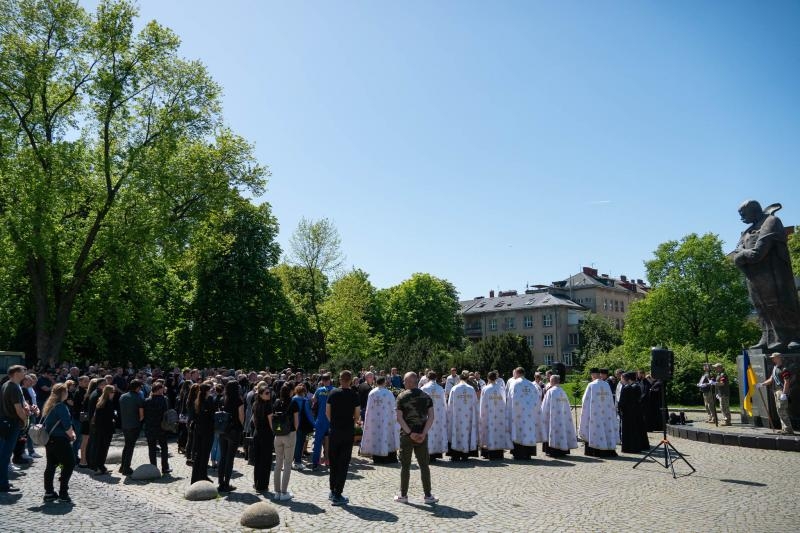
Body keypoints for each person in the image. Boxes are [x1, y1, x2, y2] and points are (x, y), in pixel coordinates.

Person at [732, 200, 800, 352]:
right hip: (755, 278)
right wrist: (743, 255)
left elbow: (758, 253)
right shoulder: (747, 231)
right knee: (761, 307)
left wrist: (743, 254)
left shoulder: (771, 221)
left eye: (743, 214)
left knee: (781, 304)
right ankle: (767, 337)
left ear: (753, 210)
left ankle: (793, 336)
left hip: (775, 274)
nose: (741, 218)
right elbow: (736, 256)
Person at [394, 372, 437, 504]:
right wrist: (423, 433)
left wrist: (410, 433)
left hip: (407, 436)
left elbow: (399, 418)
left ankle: (403, 495)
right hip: (422, 435)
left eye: (405, 381)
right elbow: (432, 417)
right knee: (424, 465)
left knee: (405, 466)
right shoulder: (426, 396)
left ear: (407, 382)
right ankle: (428, 495)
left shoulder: (401, 396)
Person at [326, 370, 360, 506]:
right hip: (347, 431)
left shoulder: (333, 393)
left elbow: (327, 412)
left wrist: (334, 422)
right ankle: (337, 494)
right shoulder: (354, 395)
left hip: (334, 430)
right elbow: (357, 415)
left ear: (339, 380)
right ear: (350, 380)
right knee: (343, 463)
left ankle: (332, 490)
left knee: (333, 461)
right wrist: (351, 421)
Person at [40, 383, 76, 503]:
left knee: (52, 465)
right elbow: (67, 425)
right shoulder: (61, 406)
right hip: (61, 441)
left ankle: (49, 492)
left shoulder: (49, 405)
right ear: (62, 393)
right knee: (69, 463)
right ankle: (63, 492)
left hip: (49, 440)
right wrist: (72, 435)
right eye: (66, 391)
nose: (67, 393)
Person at [579, 368, 619, 457]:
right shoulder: (606, 385)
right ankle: (608, 449)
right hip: (606, 413)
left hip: (594, 414)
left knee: (595, 429)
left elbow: (585, 400)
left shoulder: (591, 385)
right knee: (606, 428)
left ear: (593, 375)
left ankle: (595, 450)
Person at [1, 365, 28, 493]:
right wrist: (25, 420)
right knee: (5, 455)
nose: (25, 373)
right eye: (23, 371)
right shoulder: (13, 387)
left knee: (4, 455)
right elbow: (18, 409)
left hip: (6, 423)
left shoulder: (6, 384)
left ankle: (3, 482)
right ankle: (3, 484)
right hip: (11, 424)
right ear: (16, 373)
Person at [270, 383, 299, 501]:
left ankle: (276, 492)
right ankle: (284, 492)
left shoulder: (276, 402)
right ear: (291, 391)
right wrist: (294, 431)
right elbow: (296, 422)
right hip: (289, 434)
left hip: (278, 435)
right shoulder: (294, 403)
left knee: (278, 463)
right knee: (287, 464)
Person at [360, 376, 399, 463]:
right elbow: (393, 407)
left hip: (374, 420)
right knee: (386, 435)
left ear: (376, 382)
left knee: (376, 436)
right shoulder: (388, 393)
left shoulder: (372, 393)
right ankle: (390, 457)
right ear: (384, 382)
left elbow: (368, 409)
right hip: (386, 420)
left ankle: (377, 458)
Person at [506, 367, 542, 460]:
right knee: (529, 431)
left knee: (518, 432)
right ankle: (529, 453)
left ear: (517, 373)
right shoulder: (531, 384)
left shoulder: (514, 383)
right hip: (530, 415)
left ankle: (519, 454)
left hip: (518, 414)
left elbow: (510, 399)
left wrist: (509, 411)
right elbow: (537, 400)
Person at [540, 375, 578, 457]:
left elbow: (545, 406)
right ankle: (562, 450)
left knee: (553, 431)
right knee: (562, 431)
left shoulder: (551, 391)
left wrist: (542, 416)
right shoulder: (562, 391)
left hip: (553, 418)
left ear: (552, 381)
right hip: (563, 418)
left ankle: (553, 450)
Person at [217, 380, 245, 492]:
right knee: (230, 458)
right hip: (234, 430)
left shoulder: (222, 399)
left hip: (223, 430)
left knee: (222, 457)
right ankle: (227, 483)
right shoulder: (238, 400)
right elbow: (241, 416)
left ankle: (220, 482)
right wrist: (241, 427)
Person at [758, 352, 794, 434]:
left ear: (778, 358)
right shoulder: (775, 368)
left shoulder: (784, 369)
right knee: (779, 411)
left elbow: (786, 382)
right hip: (776, 391)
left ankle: (788, 429)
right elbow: (771, 379)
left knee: (782, 410)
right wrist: (762, 384)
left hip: (781, 391)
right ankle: (784, 429)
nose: (772, 359)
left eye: (773, 357)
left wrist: (784, 394)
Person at [478, 371, 512, 460]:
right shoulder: (501, 388)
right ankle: (499, 454)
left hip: (489, 415)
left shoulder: (485, 389)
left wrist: (481, 415)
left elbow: (482, 404)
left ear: (488, 378)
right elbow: (504, 402)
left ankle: (489, 453)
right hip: (500, 415)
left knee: (490, 432)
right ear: (495, 378)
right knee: (499, 432)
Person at [446, 371, 478, 461]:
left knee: (456, 432)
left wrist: (449, 415)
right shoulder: (471, 389)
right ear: (467, 378)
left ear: (459, 378)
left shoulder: (455, 388)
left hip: (457, 416)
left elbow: (450, 404)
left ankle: (455, 455)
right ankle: (465, 455)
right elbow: (475, 404)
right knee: (467, 432)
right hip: (469, 416)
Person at [617, 372, 650, 453]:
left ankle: (630, 447)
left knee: (629, 430)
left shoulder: (627, 387)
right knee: (636, 429)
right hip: (635, 410)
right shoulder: (636, 386)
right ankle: (640, 445)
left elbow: (623, 401)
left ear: (626, 379)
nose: (621, 380)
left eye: (622, 378)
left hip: (628, 412)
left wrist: (619, 408)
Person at [143, 382, 171, 476]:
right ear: (159, 390)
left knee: (151, 448)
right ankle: (165, 467)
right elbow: (167, 413)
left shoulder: (146, 400)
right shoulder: (164, 399)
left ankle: (153, 468)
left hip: (150, 427)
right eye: (162, 388)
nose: (164, 390)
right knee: (164, 448)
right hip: (161, 427)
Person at [118, 379, 144, 476]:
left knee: (127, 445)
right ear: (137, 388)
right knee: (130, 447)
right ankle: (126, 468)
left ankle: (122, 466)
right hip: (134, 425)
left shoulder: (122, 396)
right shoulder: (138, 397)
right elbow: (141, 415)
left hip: (125, 425)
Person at [420, 371, 448, 460]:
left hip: (427, 414)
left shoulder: (423, 388)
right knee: (437, 432)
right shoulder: (440, 388)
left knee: (428, 432)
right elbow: (444, 403)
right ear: (436, 378)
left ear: (427, 378)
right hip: (438, 415)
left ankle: (426, 453)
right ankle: (435, 453)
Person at [190, 383, 215, 484]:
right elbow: (211, 416)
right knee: (204, 455)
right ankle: (202, 476)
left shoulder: (197, 400)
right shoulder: (208, 401)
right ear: (207, 391)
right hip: (206, 431)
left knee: (199, 455)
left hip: (198, 430)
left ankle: (196, 477)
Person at [91, 385, 117, 475]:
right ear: (109, 393)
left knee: (100, 447)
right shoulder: (108, 402)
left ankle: (100, 466)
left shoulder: (100, 400)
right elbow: (110, 416)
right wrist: (115, 415)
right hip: (106, 429)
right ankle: (100, 467)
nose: (114, 394)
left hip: (100, 428)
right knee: (103, 448)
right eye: (113, 392)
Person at [310, 374, 333, 470]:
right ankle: (329, 461)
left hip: (320, 419)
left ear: (322, 380)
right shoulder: (334, 390)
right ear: (330, 380)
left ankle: (315, 463)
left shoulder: (319, 390)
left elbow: (313, 400)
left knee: (318, 442)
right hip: (331, 419)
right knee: (331, 441)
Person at [291, 383, 314, 470]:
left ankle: (291, 460)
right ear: (303, 392)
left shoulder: (293, 399)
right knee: (300, 444)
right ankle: (297, 462)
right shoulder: (305, 400)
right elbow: (308, 414)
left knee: (293, 443)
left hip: (293, 424)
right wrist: (314, 423)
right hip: (301, 425)